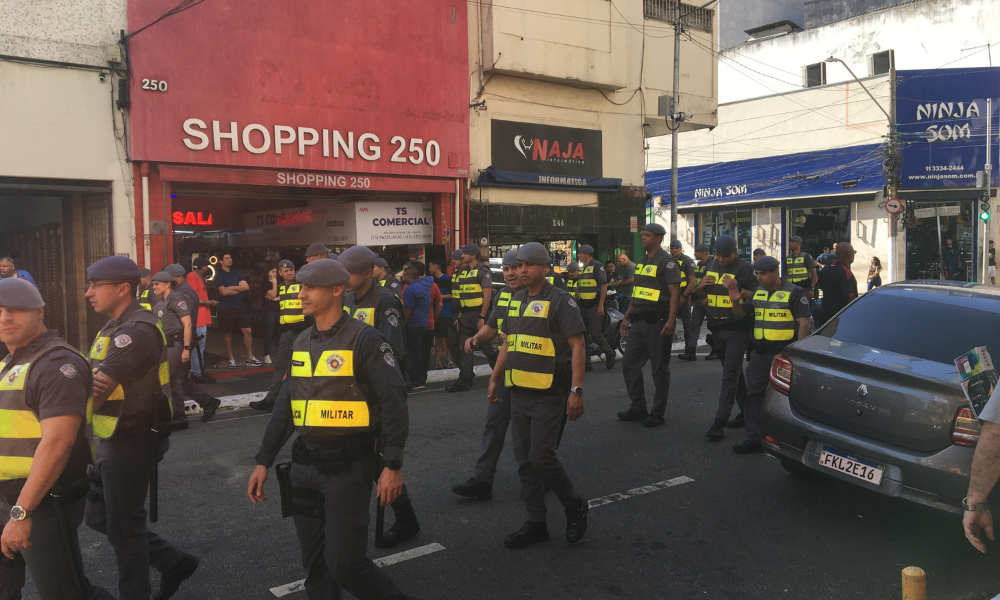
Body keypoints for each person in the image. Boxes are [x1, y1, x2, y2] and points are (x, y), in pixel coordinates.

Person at [246, 258, 415, 600]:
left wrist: (392, 465)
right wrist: (263, 459)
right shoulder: (301, 341)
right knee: (316, 566)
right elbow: (285, 407)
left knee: (346, 565)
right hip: (304, 468)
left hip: (348, 469)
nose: (300, 294)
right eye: (300, 287)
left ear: (337, 290)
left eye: (309, 288)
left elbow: (395, 403)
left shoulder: (366, 340)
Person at [83, 255, 199, 600]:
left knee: (125, 530)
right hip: (110, 436)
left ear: (122, 289)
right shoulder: (114, 326)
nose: (88, 293)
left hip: (132, 438)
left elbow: (96, 387)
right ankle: (174, 562)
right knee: (98, 517)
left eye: (95, 285)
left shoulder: (135, 331)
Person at [0, 278, 115, 600]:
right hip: (10, 496)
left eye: (15, 309)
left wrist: (22, 513)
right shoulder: (14, 359)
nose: (4, 317)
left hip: (41, 501)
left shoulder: (55, 363)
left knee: (65, 592)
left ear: (39, 311)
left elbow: (57, 444)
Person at [488, 242, 589, 549]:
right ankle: (536, 523)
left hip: (549, 393)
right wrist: (495, 378)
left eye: (527, 265)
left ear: (545, 268)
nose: (521, 270)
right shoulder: (515, 299)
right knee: (524, 461)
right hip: (518, 390)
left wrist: (576, 391)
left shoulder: (561, 300)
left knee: (541, 456)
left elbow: (577, 347)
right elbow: (509, 342)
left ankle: (573, 505)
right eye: (518, 265)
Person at [339, 246, 419, 548]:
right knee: (370, 463)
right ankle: (407, 520)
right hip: (352, 394)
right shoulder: (348, 298)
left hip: (377, 393)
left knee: (383, 460)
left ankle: (406, 521)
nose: (344, 277)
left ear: (368, 271)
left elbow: (393, 351)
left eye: (349, 272)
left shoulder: (385, 300)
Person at [452, 249, 521, 501]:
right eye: (506, 268)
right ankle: (482, 480)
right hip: (507, 372)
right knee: (494, 424)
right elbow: (492, 328)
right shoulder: (503, 295)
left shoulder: (543, 297)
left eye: (516, 267)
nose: (511, 273)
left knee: (531, 435)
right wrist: (475, 338)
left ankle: (539, 478)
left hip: (536, 375)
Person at [724, 256, 811, 453]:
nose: (759, 277)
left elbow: (804, 323)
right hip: (760, 355)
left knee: (785, 398)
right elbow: (739, 315)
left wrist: (797, 355)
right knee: (753, 396)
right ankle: (754, 437)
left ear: (775, 272)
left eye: (762, 274)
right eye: (757, 274)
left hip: (783, 356)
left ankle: (789, 437)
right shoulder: (757, 293)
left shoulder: (794, 293)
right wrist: (735, 302)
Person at [695, 235, 759, 441]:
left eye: (726, 256)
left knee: (729, 376)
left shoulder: (745, 269)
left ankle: (719, 422)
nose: (721, 260)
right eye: (718, 256)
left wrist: (739, 291)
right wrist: (701, 286)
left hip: (737, 328)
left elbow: (758, 295)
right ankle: (747, 414)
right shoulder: (710, 265)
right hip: (717, 328)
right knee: (735, 375)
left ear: (735, 251)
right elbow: (700, 295)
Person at [617, 225, 682, 428]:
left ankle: (657, 412)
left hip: (658, 323)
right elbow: (637, 293)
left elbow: (675, 294)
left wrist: (672, 320)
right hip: (638, 321)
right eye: (642, 235)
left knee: (659, 369)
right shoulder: (642, 262)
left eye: (647, 235)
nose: (643, 238)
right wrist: (626, 318)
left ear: (658, 238)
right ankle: (638, 407)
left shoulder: (667, 262)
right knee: (629, 364)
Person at [250, 260, 306, 414]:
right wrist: (274, 282)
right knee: (281, 366)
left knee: (304, 367)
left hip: (302, 332)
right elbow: (273, 296)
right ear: (280, 273)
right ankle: (271, 400)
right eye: (285, 271)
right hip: (287, 333)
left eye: (292, 270)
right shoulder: (281, 286)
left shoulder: (302, 284)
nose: (289, 273)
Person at [151, 271, 196, 430]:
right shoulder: (160, 302)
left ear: (167, 283)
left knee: (161, 381)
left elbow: (188, 324)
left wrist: (186, 348)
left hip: (175, 345)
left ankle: (162, 417)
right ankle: (179, 416)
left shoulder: (176, 299)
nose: (154, 287)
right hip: (165, 346)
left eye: (157, 284)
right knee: (174, 381)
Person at [447, 244, 493, 393]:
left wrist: (482, 317)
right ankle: (465, 379)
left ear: (473, 255)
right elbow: (463, 297)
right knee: (465, 347)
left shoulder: (482, 271)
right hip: (466, 315)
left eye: (465, 254)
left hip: (478, 314)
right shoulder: (464, 272)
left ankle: (502, 374)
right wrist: (460, 316)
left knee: (486, 347)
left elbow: (487, 296)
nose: (462, 256)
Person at [214, 253, 261, 368]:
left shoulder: (237, 273)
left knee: (247, 331)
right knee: (227, 333)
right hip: (225, 308)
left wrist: (230, 287)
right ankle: (231, 358)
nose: (230, 260)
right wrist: (238, 289)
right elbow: (223, 292)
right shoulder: (219, 276)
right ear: (221, 261)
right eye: (227, 258)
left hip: (239, 306)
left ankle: (250, 358)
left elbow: (246, 287)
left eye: (230, 257)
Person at [576, 245, 616, 370]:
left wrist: (600, 306)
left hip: (594, 305)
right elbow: (579, 286)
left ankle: (610, 353)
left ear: (587, 254)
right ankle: (587, 363)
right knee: (583, 335)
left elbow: (603, 286)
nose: (578, 255)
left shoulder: (597, 266)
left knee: (595, 333)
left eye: (580, 253)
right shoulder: (582, 268)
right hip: (583, 306)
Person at [401, 265, 438, 389]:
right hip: (424, 324)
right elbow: (430, 278)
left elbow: (408, 310)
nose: (402, 277)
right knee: (421, 352)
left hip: (413, 325)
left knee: (412, 353)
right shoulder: (425, 285)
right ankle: (421, 378)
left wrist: (402, 324)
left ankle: (417, 379)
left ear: (409, 277)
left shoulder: (410, 290)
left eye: (404, 275)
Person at [186, 257, 217, 383]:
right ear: (203, 267)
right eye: (207, 267)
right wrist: (209, 302)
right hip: (198, 319)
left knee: (199, 347)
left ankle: (198, 371)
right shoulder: (192, 277)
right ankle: (197, 373)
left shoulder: (196, 278)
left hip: (201, 318)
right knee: (198, 347)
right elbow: (192, 298)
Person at [679, 243, 711, 362]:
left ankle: (717, 349)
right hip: (698, 300)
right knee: (694, 325)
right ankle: (691, 351)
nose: (694, 254)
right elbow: (695, 283)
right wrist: (692, 296)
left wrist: (707, 297)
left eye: (697, 252)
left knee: (713, 325)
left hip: (708, 300)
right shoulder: (698, 265)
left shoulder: (711, 265)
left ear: (704, 252)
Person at [815, 242, 858, 325]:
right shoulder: (845, 271)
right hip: (840, 317)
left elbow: (819, 286)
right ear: (849, 254)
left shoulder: (825, 269)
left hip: (825, 314)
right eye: (853, 252)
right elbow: (849, 297)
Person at [669, 240, 698, 362]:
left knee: (687, 324)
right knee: (668, 322)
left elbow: (692, 281)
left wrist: (685, 296)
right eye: (672, 248)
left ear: (681, 249)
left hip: (683, 295)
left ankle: (690, 350)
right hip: (670, 296)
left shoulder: (687, 261)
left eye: (676, 248)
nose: (674, 250)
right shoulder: (668, 260)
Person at [428, 259, 453, 369]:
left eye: (430, 267)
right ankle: (437, 360)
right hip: (435, 312)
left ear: (435, 266)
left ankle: (449, 360)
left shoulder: (447, 279)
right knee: (437, 338)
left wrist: (439, 297)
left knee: (447, 338)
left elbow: (452, 295)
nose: (429, 269)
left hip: (446, 312)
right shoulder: (430, 281)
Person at [445, 250, 465, 370]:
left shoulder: (467, 274)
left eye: (455, 259)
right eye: (452, 259)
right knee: (452, 343)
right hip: (455, 313)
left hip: (464, 313)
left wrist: (461, 314)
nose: (453, 262)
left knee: (482, 345)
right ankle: (465, 370)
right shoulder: (456, 275)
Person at [262, 266, 281, 364]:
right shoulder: (265, 284)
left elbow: (282, 296)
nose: (275, 274)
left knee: (279, 332)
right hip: (269, 310)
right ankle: (266, 354)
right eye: (273, 271)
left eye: (276, 272)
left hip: (279, 309)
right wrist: (274, 284)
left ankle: (280, 354)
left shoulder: (280, 283)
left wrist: (275, 299)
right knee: (269, 332)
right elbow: (273, 294)